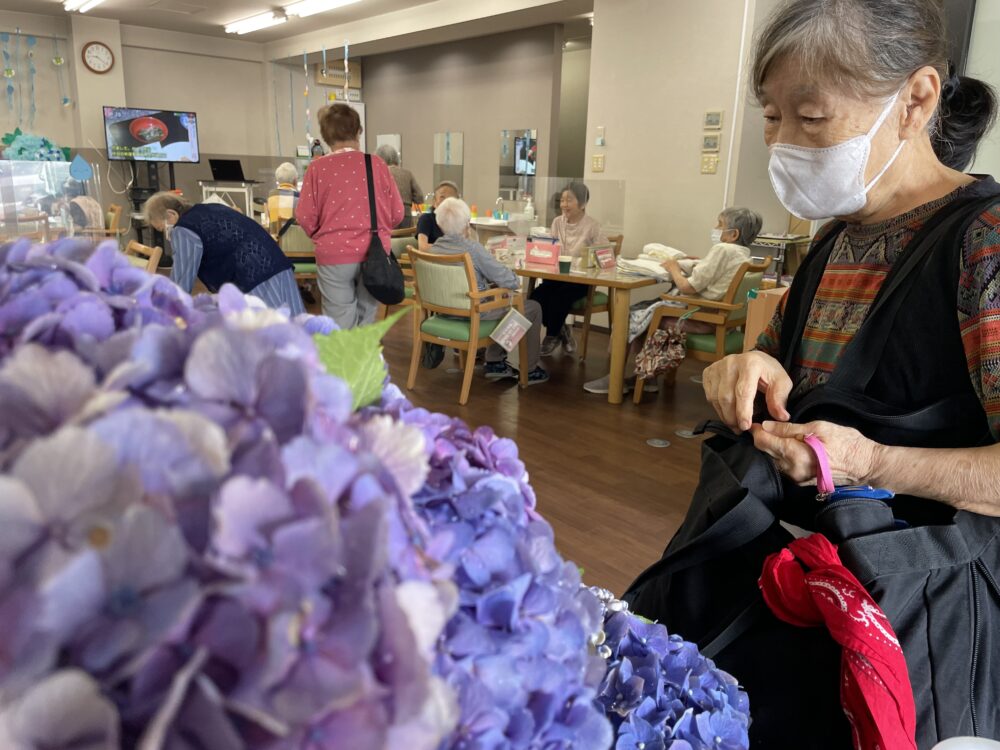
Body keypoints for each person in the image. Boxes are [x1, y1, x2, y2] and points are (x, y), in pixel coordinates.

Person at [686, 0, 1000, 743]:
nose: (785, 143)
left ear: (916, 99)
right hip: (800, 598)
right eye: (771, 117)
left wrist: (871, 460)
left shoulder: (984, 244)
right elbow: (790, 354)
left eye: (812, 119)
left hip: (913, 620)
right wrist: (751, 361)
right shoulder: (834, 238)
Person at [583, 207, 763, 394]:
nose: (716, 227)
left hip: (701, 318)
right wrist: (697, 262)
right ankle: (647, 378)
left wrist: (673, 267)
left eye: (720, 224)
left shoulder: (723, 249)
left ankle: (614, 380)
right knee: (646, 315)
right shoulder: (743, 254)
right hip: (718, 318)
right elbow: (714, 275)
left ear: (733, 234)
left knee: (632, 316)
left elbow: (687, 287)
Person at [296, 103, 403, 329]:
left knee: (338, 323)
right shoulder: (376, 164)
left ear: (325, 136)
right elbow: (397, 213)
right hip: (374, 254)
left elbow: (305, 217)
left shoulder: (317, 168)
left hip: (333, 254)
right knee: (366, 321)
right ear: (358, 131)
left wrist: (323, 236)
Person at [430, 197, 548, 385]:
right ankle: (528, 369)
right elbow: (510, 281)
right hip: (473, 314)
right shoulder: (473, 249)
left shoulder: (433, 249)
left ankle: (496, 361)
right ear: (467, 224)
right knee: (532, 307)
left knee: (499, 298)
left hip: (445, 313)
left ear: (440, 224)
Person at [143, 192, 305, 315]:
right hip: (277, 265)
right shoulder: (210, 209)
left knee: (273, 338)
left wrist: (161, 310)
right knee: (299, 330)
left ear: (171, 215)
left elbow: (181, 282)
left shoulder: (184, 228)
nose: (167, 234)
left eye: (163, 228)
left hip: (255, 278)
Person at [531, 182, 607, 356]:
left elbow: (603, 255)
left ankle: (551, 335)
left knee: (559, 298)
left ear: (582, 203)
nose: (564, 204)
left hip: (580, 280)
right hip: (557, 277)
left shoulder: (593, 226)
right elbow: (551, 248)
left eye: (569, 200)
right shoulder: (557, 222)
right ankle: (562, 330)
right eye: (562, 200)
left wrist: (584, 262)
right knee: (536, 298)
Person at [376, 144, 422, 229]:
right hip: (406, 216)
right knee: (404, 240)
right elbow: (419, 198)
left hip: (386, 215)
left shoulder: (378, 173)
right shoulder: (407, 173)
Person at [416, 181, 460, 250]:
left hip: (456, 258)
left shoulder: (458, 222)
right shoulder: (426, 219)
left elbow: (466, 245)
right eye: (442, 197)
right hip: (432, 259)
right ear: (434, 202)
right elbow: (422, 247)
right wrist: (450, 248)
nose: (446, 201)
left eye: (451, 198)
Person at [267, 162, 300, 235]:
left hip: (275, 241)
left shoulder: (271, 195)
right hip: (295, 241)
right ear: (295, 181)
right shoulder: (299, 197)